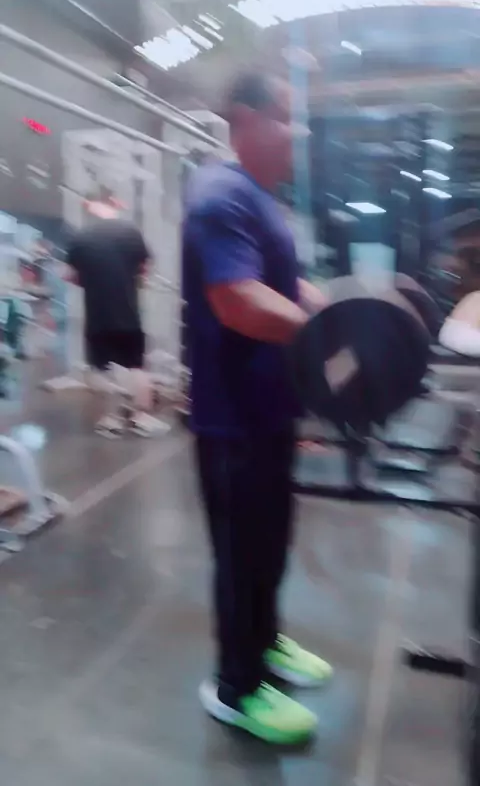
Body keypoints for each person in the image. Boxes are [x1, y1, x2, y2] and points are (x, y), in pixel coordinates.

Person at [182, 71, 332, 745]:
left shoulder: (259, 199)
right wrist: (328, 333)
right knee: (242, 557)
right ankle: (236, 688)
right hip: (233, 420)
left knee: (270, 546)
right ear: (245, 118)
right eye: (285, 116)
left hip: (270, 413)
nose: (297, 132)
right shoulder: (218, 193)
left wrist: (331, 302)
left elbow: (279, 280)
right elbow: (236, 299)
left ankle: (265, 644)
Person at [65, 196, 157, 436]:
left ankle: (112, 419)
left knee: (102, 368)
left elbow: (71, 277)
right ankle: (141, 418)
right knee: (136, 366)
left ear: (92, 207)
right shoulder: (131, 232)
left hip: (98, 315)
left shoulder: (79, 238)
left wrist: (91, 279)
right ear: (113, 204)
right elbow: (144, 270)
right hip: (128, 313)